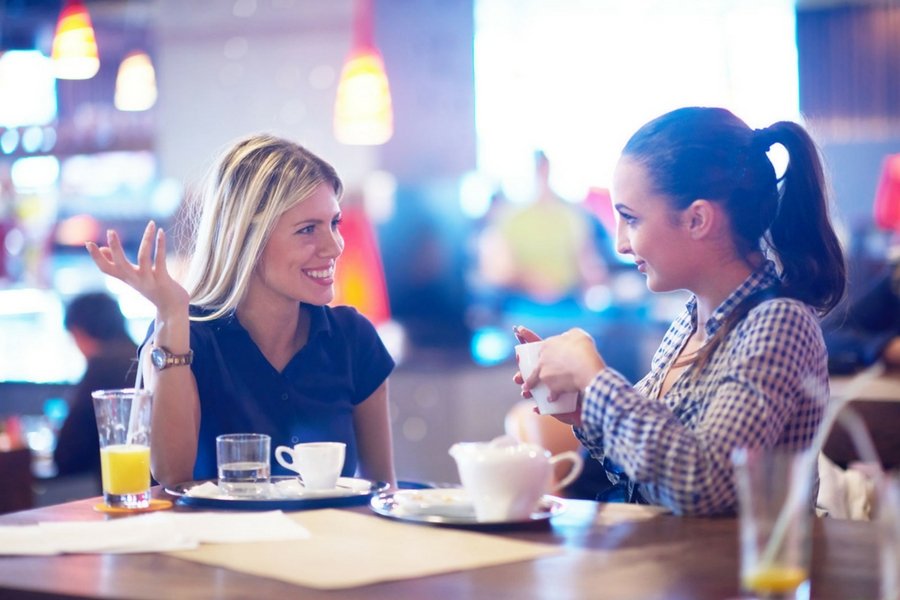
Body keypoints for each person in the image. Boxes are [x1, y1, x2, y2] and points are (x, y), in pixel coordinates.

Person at [514, 107, 846, 516]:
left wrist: (595, 379)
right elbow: (656, 474)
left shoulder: (779, 323)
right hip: (676, 554)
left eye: (631, 219)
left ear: (697, 219)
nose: (620, 243)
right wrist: (585, 410)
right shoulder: (691, 320)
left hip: (745, 558)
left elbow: (704, 485)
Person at [85, 134, 397, 488]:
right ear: (246, 238)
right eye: (308, 229)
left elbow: (382, 492)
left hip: (331, 528)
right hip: (217, 528)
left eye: (334, 223)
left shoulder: (353, 338)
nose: (335, 246)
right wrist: (172, 314)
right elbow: (171, 475)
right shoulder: (185, 337)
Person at [54, 292, 138, 488]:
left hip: (119, 487)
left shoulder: (102, 365)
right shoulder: (143, 356)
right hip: (157, 484)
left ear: (79, 332)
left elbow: (67, 453)